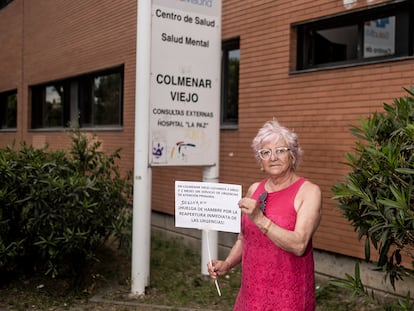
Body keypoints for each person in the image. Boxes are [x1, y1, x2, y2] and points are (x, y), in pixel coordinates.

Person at [208, 120, 322, 310]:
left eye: (280, 150)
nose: (273, 157)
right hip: (252, 292)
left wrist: (260, 219)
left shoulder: (309, 192)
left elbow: (299, 244)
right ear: (260, 161)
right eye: (265, 153)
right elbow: (244, 237)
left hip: (288, 296)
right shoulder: (254, 189)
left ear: (292, 156)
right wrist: (227, 263)